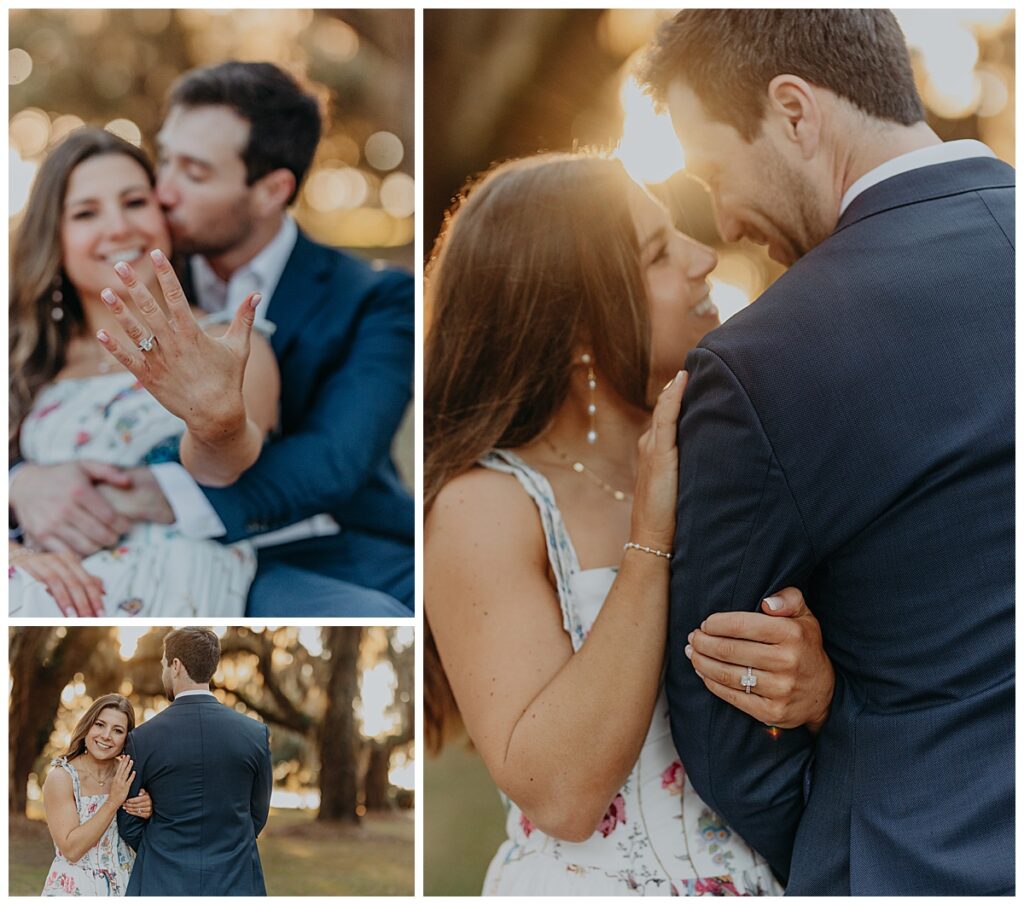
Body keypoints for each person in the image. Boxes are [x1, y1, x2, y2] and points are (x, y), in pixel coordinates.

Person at [639, 9, 1014, 895]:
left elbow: (721, 715)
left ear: (796, 112)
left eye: (714, 172)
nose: (725, 221)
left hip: (913, 858)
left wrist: (836, 813)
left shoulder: (764, 361)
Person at [424, 154, 835, 895]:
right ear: (576, 319)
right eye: (657, 252)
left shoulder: (737, 453)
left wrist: (812, 697)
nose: (704, 257)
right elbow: (561, 794)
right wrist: (649, 543)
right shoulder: (482, 506)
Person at [9, 61, 415, 618]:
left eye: (194, 173)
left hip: (322, 544)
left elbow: (333, 461)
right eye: (165, 160)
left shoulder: (376, 298)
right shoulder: (47, 333)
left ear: (272, 190)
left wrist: (159, 489)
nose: (164, 192)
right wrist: (19, 485)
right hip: (61, 561)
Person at [9, 127, 278, 618]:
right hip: (32, 583)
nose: (117, 228)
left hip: (169, 585)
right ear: (55, 238)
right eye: (86, 213)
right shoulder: (25, 357)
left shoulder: (230, 344)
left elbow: (226, 466)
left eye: (134, 202)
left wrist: (217, 421)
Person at [117, 627, 272, 896]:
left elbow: (129, 823)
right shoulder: (255, 734)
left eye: (164, 664)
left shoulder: (141, 739)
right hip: (234, 881)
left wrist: (161, 849)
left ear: (176, 666)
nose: (163, 671)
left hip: (162, 881)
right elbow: (257, 814)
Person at [41, 694, 153, 896]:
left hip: (126, 886)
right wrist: (113, 801)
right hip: (74, 889)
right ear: (87, 726)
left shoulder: (130, 775)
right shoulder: (62, 778)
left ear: (126, 738)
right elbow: (72, 849)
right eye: (100, 725)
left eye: (117, 730)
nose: (106, 735)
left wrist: (148, 809)